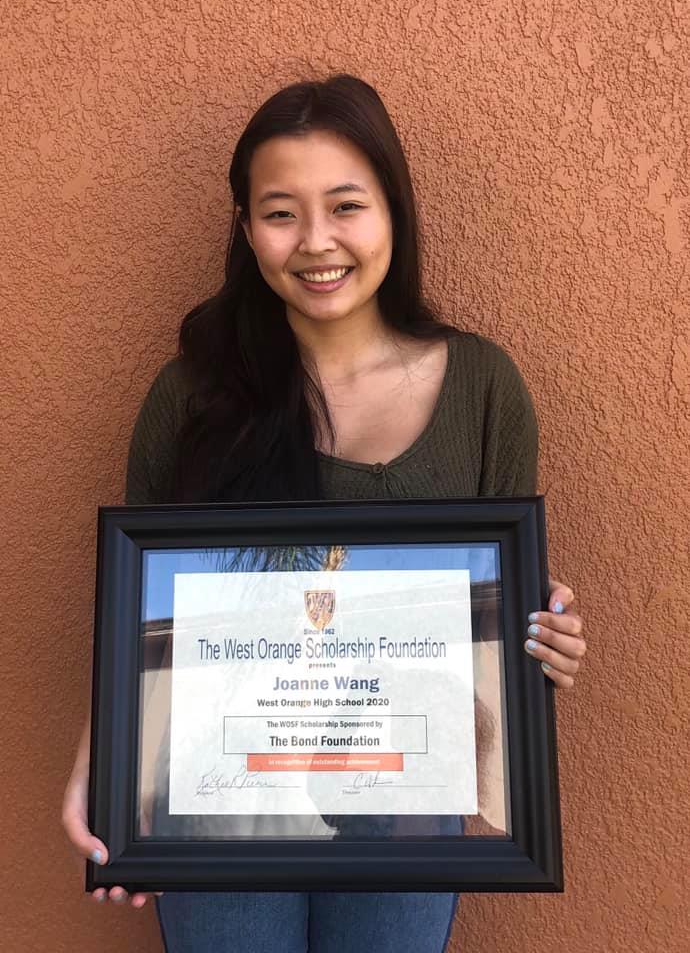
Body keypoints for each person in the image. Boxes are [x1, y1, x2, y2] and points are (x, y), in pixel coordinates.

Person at [63, 74, 586, 952]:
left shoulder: (482, 387)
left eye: (346, 206)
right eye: (281, 213)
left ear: (393, 213)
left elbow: (493, 599)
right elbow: (138, 606)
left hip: (407, 791)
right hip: (220, 793)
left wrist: (540, 631)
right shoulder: (191, 394)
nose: (315, 242)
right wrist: (106, 769)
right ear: (246, 229)